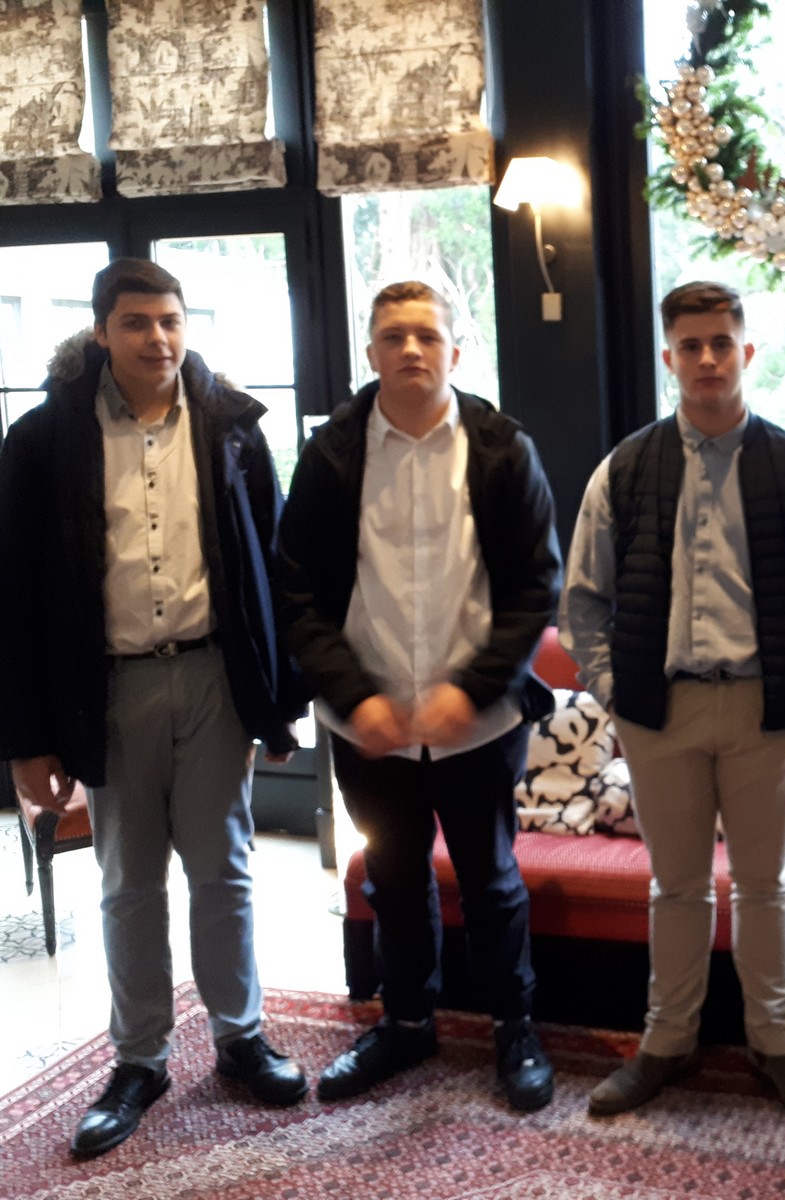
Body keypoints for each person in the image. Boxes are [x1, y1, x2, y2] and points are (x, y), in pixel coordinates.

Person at [0, 258, 308, 1159]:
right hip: (107, 687)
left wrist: (278, 702)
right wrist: (26, 738)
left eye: (169, 320)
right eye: (135, 322)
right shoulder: (41, 441)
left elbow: (271, 569)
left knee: (226, 870)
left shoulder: (232, 427)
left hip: (212, 677)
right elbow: (13, 596)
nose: (157, 338)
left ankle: (240, 1038)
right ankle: (139, 1060)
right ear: (101, 331)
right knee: (128, 883)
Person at [559, 280, 785, 1122]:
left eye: (722, 342)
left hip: (768, 712)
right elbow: (584, 601)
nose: (709, 359)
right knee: (677, 887)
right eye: (691, 345)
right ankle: (666, 1043)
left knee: (765, 885)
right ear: (670, 358)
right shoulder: (624, 468)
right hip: (661, 711)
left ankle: (777, 1046)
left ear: (746, 351)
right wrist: (615, 692)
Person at [276, 281, 563, 1111]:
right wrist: (352, 695)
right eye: (394, 336)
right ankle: (405, 1024)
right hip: (367, 722)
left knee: (492, 881)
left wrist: (472, 691)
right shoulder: (332, 454)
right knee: (393, 882)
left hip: (480, 721)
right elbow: (296, 590)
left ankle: (513, 1028)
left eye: (427, 336)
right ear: (370, 352)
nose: (411, 349)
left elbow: (535, 587)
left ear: (454, 353)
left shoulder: (503, 448)